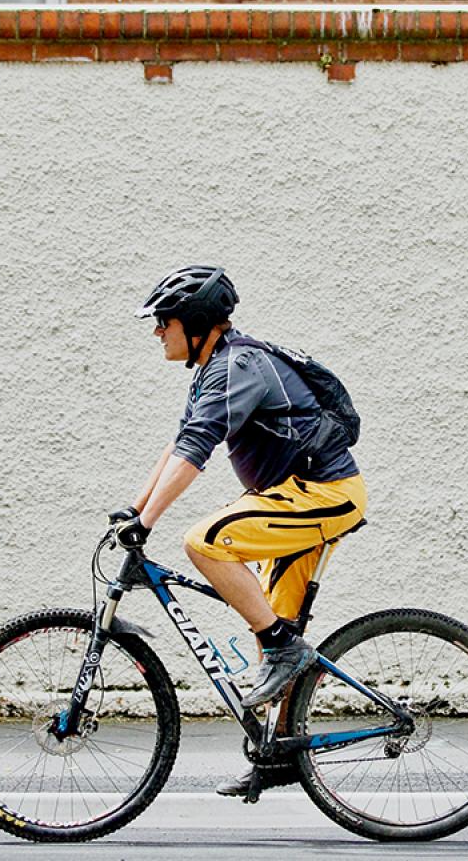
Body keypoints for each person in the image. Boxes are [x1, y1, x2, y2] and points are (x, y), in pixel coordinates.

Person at [112, 264, 366, 797]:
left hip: (323, 494)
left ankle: (283, 648)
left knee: (205, 543)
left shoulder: (238, 366)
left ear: (195, 322)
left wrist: (150, 523)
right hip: (299, 496)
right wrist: (135, 510)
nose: (158, 330)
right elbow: (180, 440)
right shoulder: (213, 368)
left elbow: (196, 450)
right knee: (273, 624)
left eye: (164, 320)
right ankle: (279, 755)